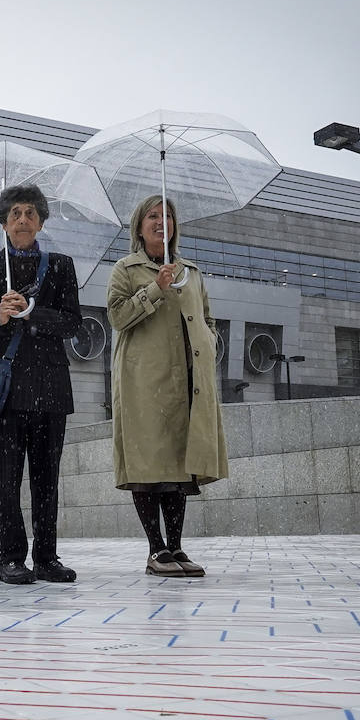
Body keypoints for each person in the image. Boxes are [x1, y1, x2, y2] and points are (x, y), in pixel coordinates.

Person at [0, 185, 81, 585]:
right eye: (15, 213)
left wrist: (32, 312)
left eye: (31, 213)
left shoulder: (61, 265)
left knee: (47, 479)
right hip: (7, 390)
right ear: (3, 222)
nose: (23, 220)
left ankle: (46, 557)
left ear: (42, 221)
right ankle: (11, 557)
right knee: (7, 477)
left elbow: (72, 323)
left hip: (50, 386)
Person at [106, 195, 227, 577]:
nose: (161, 222)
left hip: (186, 382)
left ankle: (175, 547)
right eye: (153, 216)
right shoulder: (125, 269)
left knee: (177, 466)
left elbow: (208, 319)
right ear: (139, 226)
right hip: (144, 382)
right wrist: (156, 288)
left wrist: (207, 342)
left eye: (168, 216)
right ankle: (155, 549)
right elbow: (118, 316)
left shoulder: (191, 271)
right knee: (148, 464)